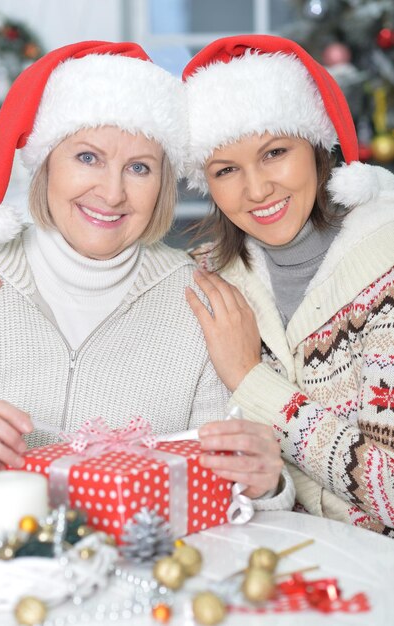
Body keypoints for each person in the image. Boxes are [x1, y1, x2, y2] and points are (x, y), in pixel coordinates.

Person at [0, 41, 294, 512]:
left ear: (163, 183)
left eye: (139, 168)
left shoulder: (202, 302)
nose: (111, 192)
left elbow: (232, 492)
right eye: (87, 157)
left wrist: (266, 487)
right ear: (45, 164)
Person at [181, 34, 394, 535]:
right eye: (226, 169)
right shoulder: (207, 278)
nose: (256, 190)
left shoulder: (386, 262)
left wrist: (250, 379)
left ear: (318, 147)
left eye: (275, 152)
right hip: (272, 576)